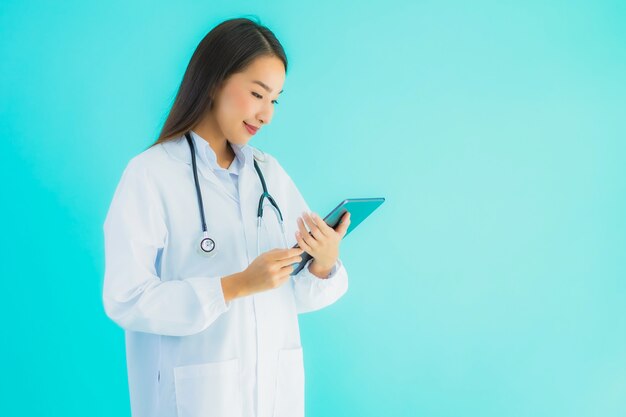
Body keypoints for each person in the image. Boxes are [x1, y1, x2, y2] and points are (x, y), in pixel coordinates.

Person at [102, 17, 351, 417]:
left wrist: (322, 263)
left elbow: (291, 297)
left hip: (274, 396)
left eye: (275, 100)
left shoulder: (269, 174)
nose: (267, 114)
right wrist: (233, 285)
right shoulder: (151, 174)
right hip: (197, 401)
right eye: (257, 94)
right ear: (215, 80)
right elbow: (126, 299)